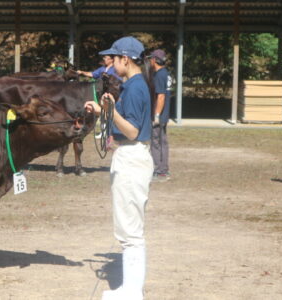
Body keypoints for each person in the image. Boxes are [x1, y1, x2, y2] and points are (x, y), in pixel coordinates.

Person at [84, 36, 153, 300]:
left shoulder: (135, 88)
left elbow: (133, 131)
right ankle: (129, 289)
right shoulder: (134, 84)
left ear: (126, 59)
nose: (111, 63)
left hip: (132, 157)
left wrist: (109, 111)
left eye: (114, 58)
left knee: (131, 231)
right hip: (132, 157)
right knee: (129, 228)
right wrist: (104, 111)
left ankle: (132, 292)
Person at [148, 49, 171, 182]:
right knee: (162, 142)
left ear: (155, 60)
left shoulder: (160, 75)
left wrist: (156, 115)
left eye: (151, 58)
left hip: (159, 115)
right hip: (164, 114)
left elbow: (161, 97)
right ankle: (163, 169)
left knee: (156, 142)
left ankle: (160, 170)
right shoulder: (165, 73)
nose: (150, 60)